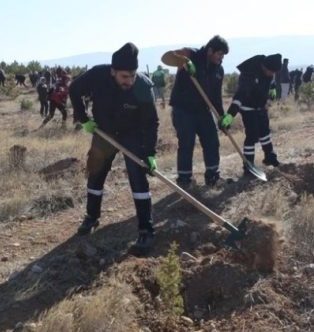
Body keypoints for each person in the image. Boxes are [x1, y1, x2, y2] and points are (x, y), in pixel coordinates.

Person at [69, 42, 159, 255]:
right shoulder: (97, 75)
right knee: (95, 173)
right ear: (113, 72)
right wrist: (84, 119)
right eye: (124, 77)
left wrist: (149, 153)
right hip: (104, 132)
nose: (129, 81)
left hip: (132, 134)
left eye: (132, 76)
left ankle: (146, 229)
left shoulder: (143, 88)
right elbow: (74, 90)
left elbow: (151, 123)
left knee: (138, 179)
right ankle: (92, 217)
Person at [162, 35, 228, 187]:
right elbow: (166, 57)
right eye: (219, 54)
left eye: (223, 56)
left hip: (203, 110)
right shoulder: (192, 54)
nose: (221, 58)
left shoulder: (219, 69)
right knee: (186, 143)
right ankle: (184, 180)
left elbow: (216, 97)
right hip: (183, 109)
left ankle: (213, 176)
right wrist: (185, 61)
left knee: (212, 140)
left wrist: (221, 117)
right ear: (210, 50)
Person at [221, 54, 283, 176]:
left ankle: (270, 157)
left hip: (260, 106)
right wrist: (230, 115)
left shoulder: (268, 71)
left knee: (265, 132)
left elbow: (271, 80)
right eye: (271, 72)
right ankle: (248, 165)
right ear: (264, 67)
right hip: (248, 107)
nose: (272, 75)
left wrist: (272, 88)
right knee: (252, 135)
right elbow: (240, 96)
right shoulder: (248, 75)